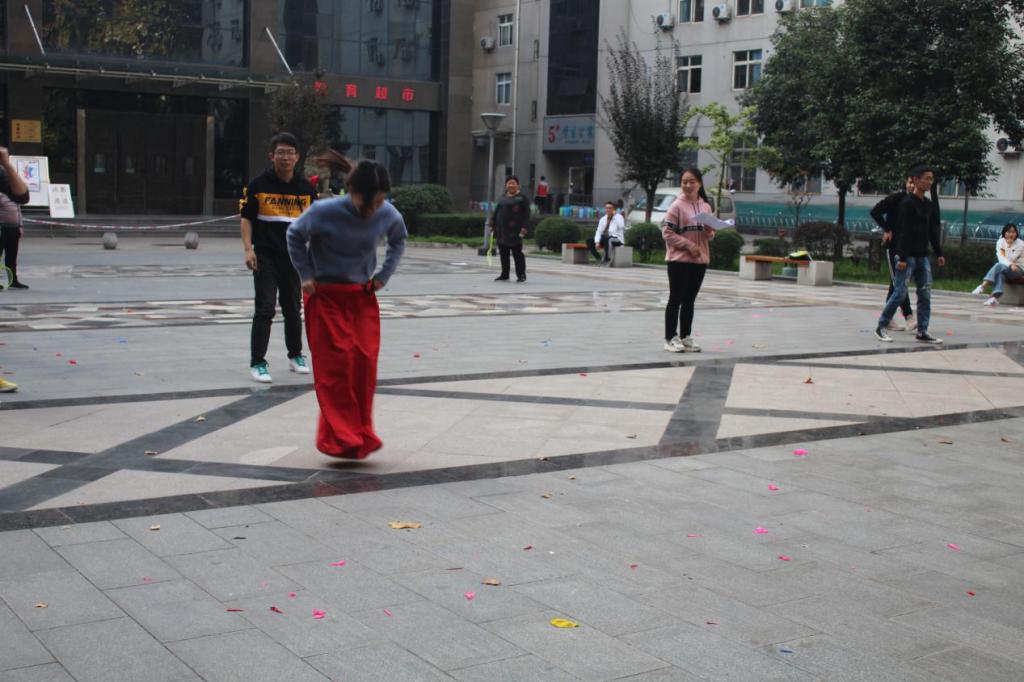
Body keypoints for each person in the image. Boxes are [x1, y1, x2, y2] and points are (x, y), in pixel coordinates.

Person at [286, 153, 407, 459]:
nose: (376, 208)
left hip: (360, 296)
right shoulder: (324, 211)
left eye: (381, 201)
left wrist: (383, 276)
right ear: (353, 191)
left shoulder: (387, 212)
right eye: (371, 202)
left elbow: (399, 239)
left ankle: (359, 431)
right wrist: (305, 274)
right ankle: (341, 436)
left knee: (364, 363)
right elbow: (294, 235)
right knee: (336, 364)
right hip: (325, 295)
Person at [239, 132, 317, 383]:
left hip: (293, 257)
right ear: (272, 156)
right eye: (281, 152)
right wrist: (248, 249)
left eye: (290, 153)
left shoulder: (306, 189)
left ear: (297, 157)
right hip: (265, 255)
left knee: (293, 307)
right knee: (265, 307)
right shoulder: (258, 185)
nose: (285, 157)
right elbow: (246, 219)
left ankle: (296, 355)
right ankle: (258, 362)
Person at [875, 165, 946, 344]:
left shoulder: (928, 205)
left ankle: (922, 331)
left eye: (931, 179)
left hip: (923, 256)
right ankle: (881, 326)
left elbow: (931, 231)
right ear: (915, 180)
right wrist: (902, 257)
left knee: (925, 294)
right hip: (907, 257)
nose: (929, 182)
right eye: (926, 178)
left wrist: (939, 253)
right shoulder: (906, 203)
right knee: (899, 293)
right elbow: (904, 232)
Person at [662, 168, 717, 353]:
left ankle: (686, 336)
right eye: (684, 182)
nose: (687, 185)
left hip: (699, 261)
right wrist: (688, 245)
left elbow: (709, 236)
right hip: (679, 261)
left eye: (691, 181)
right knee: (675, 299)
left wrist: (710, 230)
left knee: (689, 300)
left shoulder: (706, 207)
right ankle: (670, 338)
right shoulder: (676, 206)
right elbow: (667, 233)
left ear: (699, 183)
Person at [870, 178, 916, 331]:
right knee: (899, 283)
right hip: (895, 247)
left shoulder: (920, 203)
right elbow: (875, 211)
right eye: (910, 182)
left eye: (914, 183)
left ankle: (889, 318)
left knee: (897, 283)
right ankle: (908, 316)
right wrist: (887, 229)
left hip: (910, 248)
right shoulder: (897, 198)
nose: (912, 185)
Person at [0, 145, 31, 291]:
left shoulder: (5, 183)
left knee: (11, 256)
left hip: (12, 227)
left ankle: (13, 280)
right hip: (2, 226)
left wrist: (20, 225)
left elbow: (22, 199)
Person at [489, 176, 531, 282]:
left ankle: (521, 275)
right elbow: (496, 212)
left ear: (518, 185)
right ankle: (504, 274)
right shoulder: (502, 197)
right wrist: (492, 224)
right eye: (509, 183)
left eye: (513, 183)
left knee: (517, 254)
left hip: (516, 230)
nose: (511, 185)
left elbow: (527, 214)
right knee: (503, 254)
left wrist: (525, 227)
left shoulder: (522, 198)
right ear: (506, 185)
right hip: (502, 230)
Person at [972, 223, 1024, 306]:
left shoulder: (1020, 244)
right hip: (1006, 267)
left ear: (1016, 233)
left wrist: (1009, 246)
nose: (1011, 234)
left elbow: (1011, 259)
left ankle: (983, 286)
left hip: (1018, 269)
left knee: (999, 266)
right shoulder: (1000, 242)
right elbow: (1001, 258)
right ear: (1004, 233)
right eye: (1009, 232)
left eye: (1013, 232)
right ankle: (994, 298)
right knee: (1000, 271)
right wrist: (1010, 265)